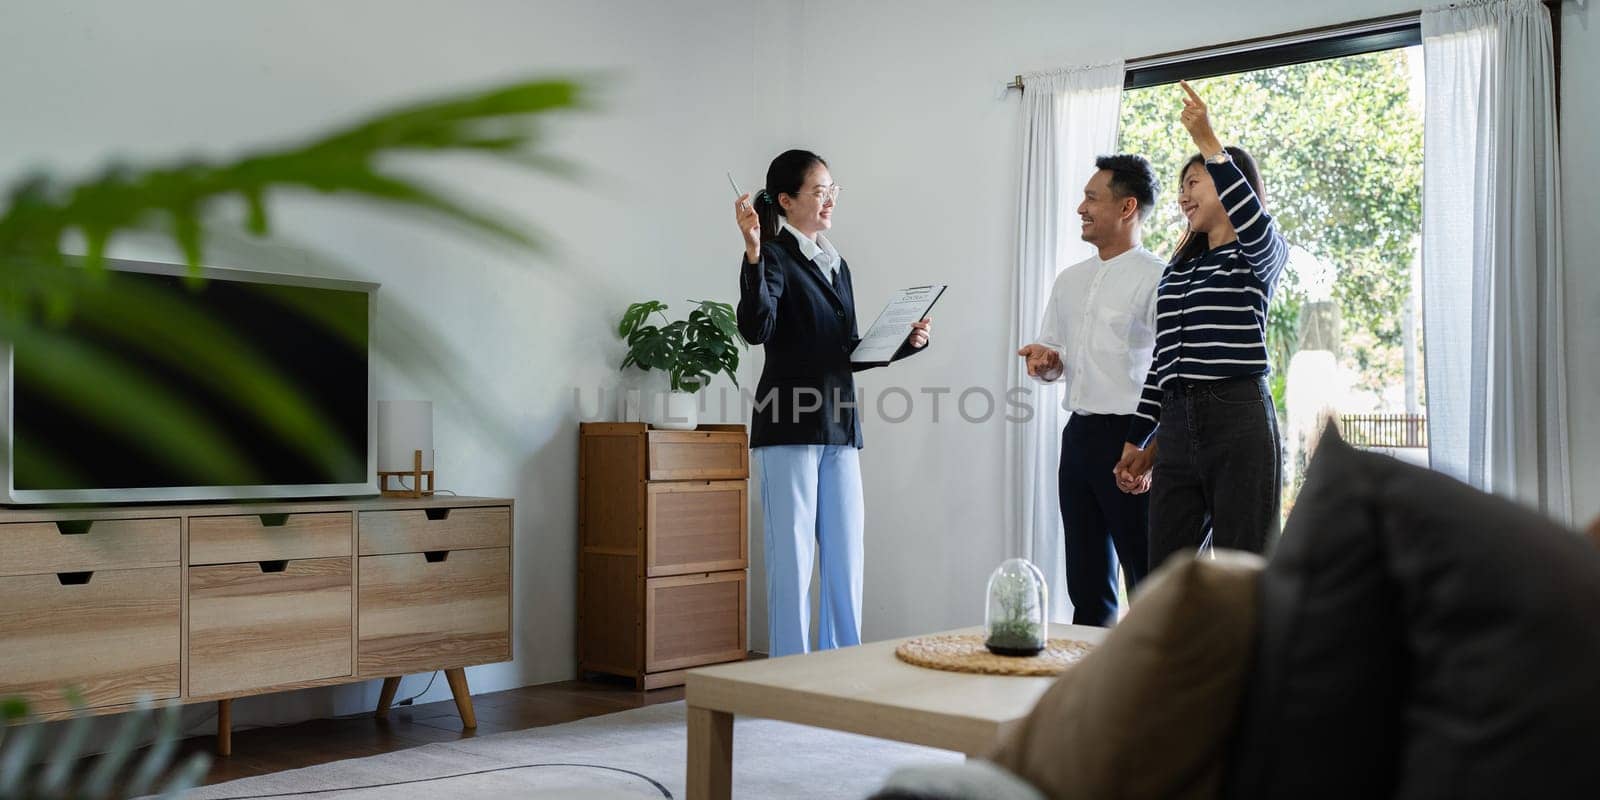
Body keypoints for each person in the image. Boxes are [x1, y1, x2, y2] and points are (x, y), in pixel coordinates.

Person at [734, 149, 932, 657]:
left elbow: (844, 352)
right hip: (788, 424)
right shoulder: (772, 256)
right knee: (793, 560)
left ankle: (843, 666)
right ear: (786, 200)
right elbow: (757, 328)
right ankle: (789, 674)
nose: (829, 200)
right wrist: (754, 252)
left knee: (846, 556)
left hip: (839, 425)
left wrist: (905, 344)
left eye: (832, 190)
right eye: (819, 191)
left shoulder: (835, 262)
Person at [1115, 81, 1288, 567]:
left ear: (1229, 183)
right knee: (1167, 576)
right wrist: (1139, 438)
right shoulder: (1179, 270)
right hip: (1175, 419)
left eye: (1193, 183)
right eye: (1180, 188)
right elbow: (1163, 361)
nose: (1183, 197)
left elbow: (1252, 220)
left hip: (1239, 416)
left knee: (1243, 573)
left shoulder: (1262, 251)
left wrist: (1208, 143)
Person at [1017, 155, 1165, 627]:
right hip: (1078, 437)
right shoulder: (1069, 280)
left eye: (1091, 198)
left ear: (1127, 207)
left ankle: (1153, 685)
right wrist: (1045, 363)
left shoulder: (1160, 277)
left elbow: (1171, 370)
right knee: (1085, 578)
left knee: (1147, 576)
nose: (1080, 207)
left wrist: (1150, 449)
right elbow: (1053, 359)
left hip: (1132, 440)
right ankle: (1092, 687)